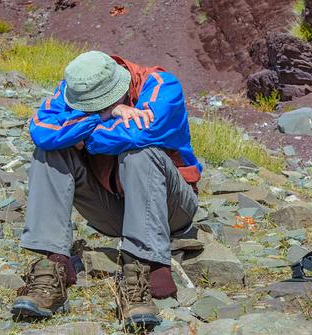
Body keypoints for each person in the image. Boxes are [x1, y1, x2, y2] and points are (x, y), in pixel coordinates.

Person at [10, 51, 201, 329]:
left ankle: (140, 271)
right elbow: (41, 131)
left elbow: (139, 134)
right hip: (113, 211)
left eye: (103, 103)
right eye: (88, 107)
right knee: (48, 153)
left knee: (140, 154)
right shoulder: (74, 87)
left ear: (122, 85)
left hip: (172, 208)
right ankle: (52, 267)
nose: (93, 109)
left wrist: (79, 133)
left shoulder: (163, 86)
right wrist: (107, 114)